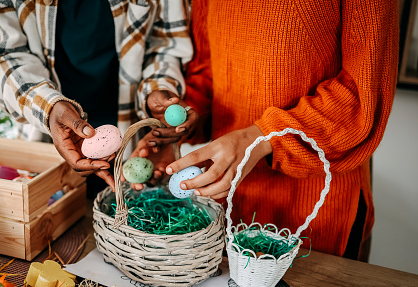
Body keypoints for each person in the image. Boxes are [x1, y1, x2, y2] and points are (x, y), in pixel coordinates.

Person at [138, 0, 399, 260]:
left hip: (315, 217)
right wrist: (184, 121)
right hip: (228, 208)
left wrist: (259, 138)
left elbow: (361, 97)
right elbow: (207, 72)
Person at [0, 0, 195, 197]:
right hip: (50, 138)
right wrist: (50, 108)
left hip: (137, 142)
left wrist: (157, 92)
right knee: (60, 212)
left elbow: (164, 46)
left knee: (128, 208)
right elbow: (0, 56)